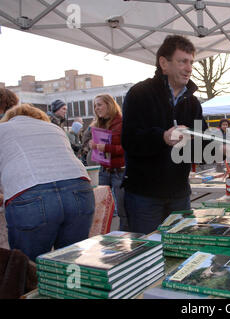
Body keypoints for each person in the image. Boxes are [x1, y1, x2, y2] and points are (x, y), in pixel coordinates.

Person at [121, 35, 208, 234]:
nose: (188, 68)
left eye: (191, 62)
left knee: (183, 251)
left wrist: (220, 147)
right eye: (182, 61)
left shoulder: (192, 102)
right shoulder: (139, 93)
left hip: (180, 194)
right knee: (147, 254)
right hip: (144, 196)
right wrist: (162, 137)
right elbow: (129, 140)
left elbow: (200, 148)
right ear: (164, 63)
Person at [0, 104, 94, 262]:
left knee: (27, 268)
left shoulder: (3, 129)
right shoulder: (55, 129)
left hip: (29, 192)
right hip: (79, 189)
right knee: (73, 265)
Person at [89, 94, 128, 231]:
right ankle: (103, 238)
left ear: (109, 105)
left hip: (119, 171)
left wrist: (106, 148)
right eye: (95, 105)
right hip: (104, 170)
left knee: (123, 211)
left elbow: (127, 147)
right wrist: (92, 145)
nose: (96, 108)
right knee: (101, 209)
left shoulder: (122, 123)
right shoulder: (97, 124)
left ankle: (125, 240)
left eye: (99, 104)